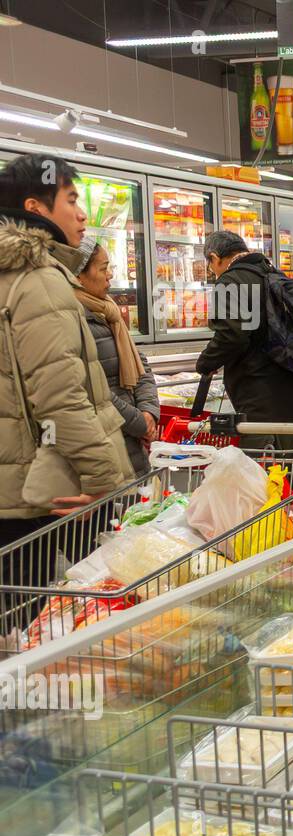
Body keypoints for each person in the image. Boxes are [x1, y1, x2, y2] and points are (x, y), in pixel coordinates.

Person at [0, 154, 131, 622]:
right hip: (40, 497)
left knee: (13, 626)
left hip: (11, 488)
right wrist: (102, 480)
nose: (82, 214)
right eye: (71, 200)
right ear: (35, 208)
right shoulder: (38, 280)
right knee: (47, 626)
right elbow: (60, 399)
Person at [197, 230, 293, 452]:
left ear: (215, 258)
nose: (212, 271)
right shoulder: (274, 274)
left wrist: (206, 362)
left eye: (210, 265)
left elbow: (232, 335)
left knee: (266, 480)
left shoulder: (230, 281)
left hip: (262, 401)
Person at [74, 239, 159, 476]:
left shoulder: (108, 311)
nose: (109, 275)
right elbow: (89, 387)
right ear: (79, 276)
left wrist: (149, 411)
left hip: (132, 442)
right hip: (105, 444)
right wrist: (139, 423)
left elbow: (140, 365)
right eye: (103, 269)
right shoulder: (72, 318)